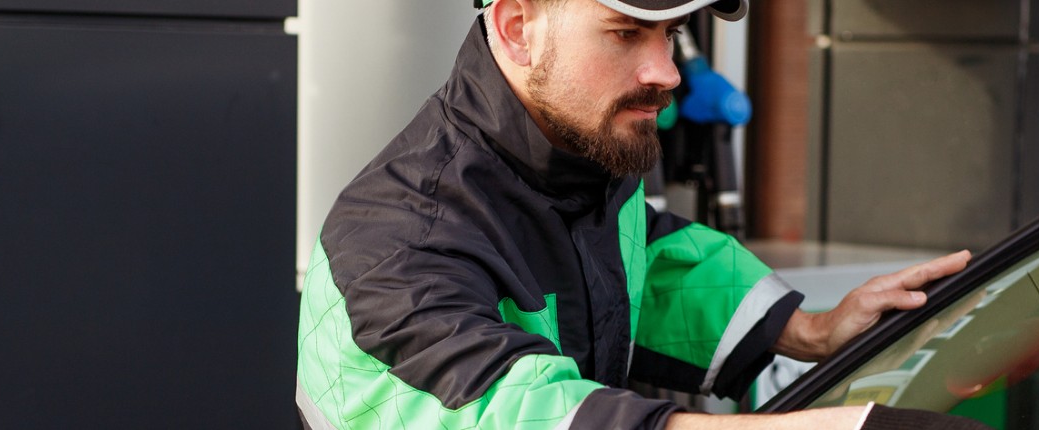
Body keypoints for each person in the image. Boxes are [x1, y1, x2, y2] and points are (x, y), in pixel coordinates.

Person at [295, 0, 974, 428]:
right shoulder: (396, 238)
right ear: (517, 27)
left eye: (670, 33)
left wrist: (810, 331)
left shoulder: (579, 162)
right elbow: (515, 412)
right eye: (626, 33)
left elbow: (641, 267)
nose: (667, 70)